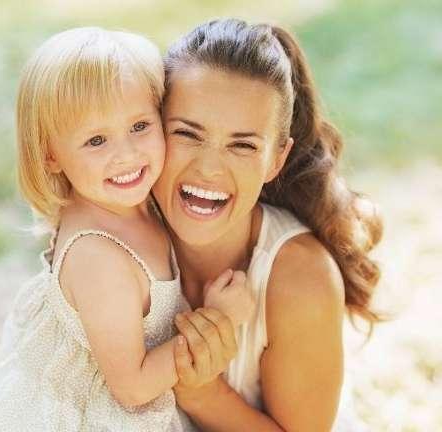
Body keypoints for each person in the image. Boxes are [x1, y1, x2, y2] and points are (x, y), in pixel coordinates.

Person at [0, 26, 253, 431]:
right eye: (96, 140)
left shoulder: (127, 199)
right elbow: (132, 385)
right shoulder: (99, 259)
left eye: (140, 126)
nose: (126, 155)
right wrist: (219, 318)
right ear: (51, 155)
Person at [152, 19, 383, 430]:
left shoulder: (301, 278)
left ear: (276, 159)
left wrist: (203, 392)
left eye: (242, 145)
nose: (208, 169)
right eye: (187, 134)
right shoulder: (114, 233)